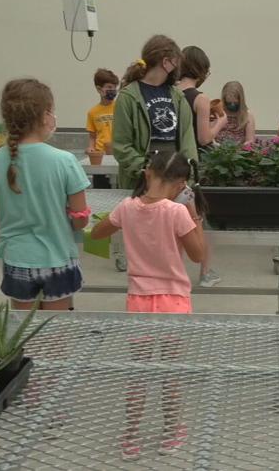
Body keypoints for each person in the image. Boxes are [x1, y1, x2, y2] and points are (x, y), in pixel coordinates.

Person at [91, 150, 206, 460]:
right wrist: (194, 213)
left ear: (147, 173)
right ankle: (171, 432)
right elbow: (198, 255)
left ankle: (130, 437)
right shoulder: (177, 212)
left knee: (138, 373)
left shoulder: (127, 208)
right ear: (182, 183)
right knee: (171, 373)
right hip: (174, 301)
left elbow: (98, 233)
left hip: (138, 300)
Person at [0, 78, 91, 311]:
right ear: (45, 115)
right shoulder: (65, 161)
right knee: (54, 336)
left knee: (24, 332)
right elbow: (80, 220)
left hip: (16, 260)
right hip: (57, 259)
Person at [113, 35, 198, 190]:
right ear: (165, 62)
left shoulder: (178, 97)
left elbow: (188, 142)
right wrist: (147, 171)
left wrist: (187, 175)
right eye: (175, 63)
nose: (178, 69)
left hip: (174, 181)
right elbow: (121, 146)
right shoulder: (128, 97)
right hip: (140, 184)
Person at [178, 45, 224, 287]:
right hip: (195, 165)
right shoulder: (200, 98)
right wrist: (221, 123)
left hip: (169, 165)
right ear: (201, 68)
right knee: (197, 219)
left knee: (171, 221)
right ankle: (205, 272)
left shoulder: (169, 93)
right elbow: (204, 138)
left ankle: (173, 271)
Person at [86, 68, 118, 189]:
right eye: (109, 88)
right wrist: (90, 148)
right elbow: (92, 136)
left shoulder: (120, 107)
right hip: (101, 156)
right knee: (101, 188)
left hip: (117, 153)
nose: (112, 91)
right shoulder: (93, 112)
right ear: (99, 89)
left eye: (114, 88)